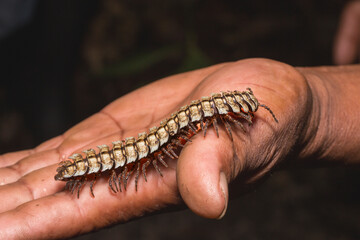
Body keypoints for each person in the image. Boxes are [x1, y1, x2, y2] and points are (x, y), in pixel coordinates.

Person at [1, 2, 360, 239]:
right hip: (112, 159)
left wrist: (323, 107)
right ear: (228, 111)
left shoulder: (217, 116)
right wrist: (326, 99)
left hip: (135, 150)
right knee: (134, 158)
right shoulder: (209, 117)